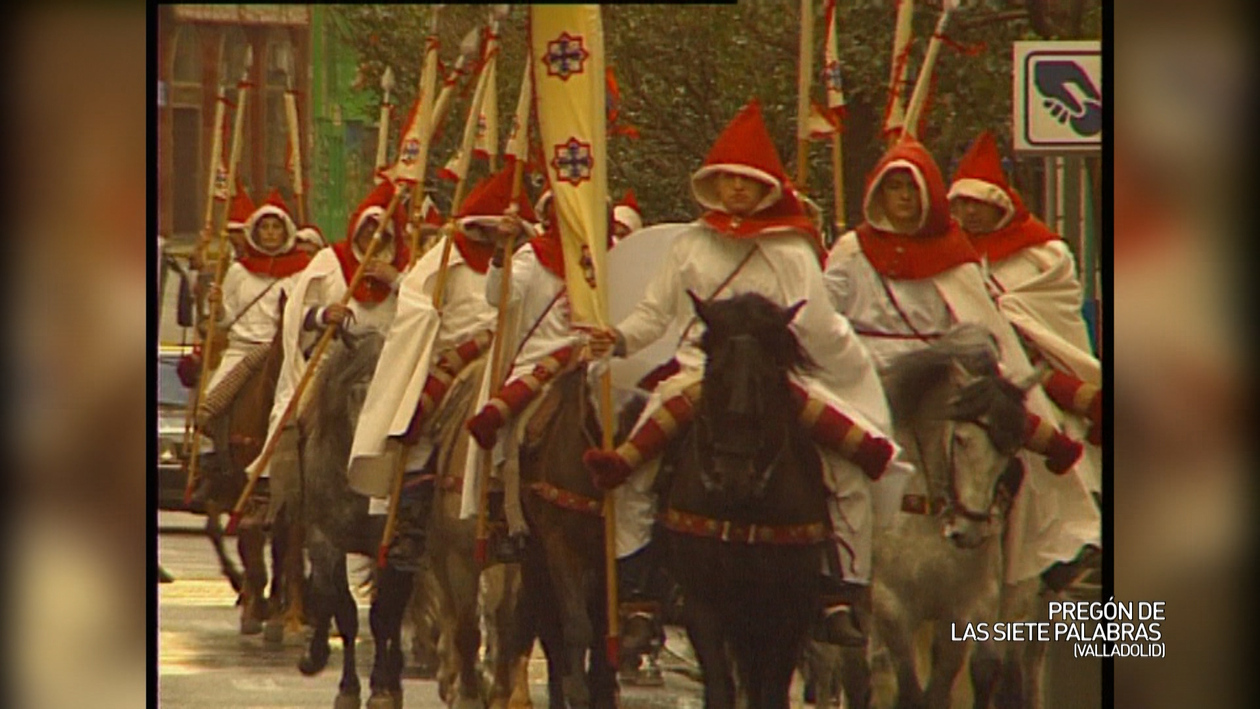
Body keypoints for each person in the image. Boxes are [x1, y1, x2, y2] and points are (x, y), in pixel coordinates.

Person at [580, 100, 906, 645]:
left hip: (778, 381)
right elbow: (654, 314)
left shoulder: (793, 252)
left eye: (745, 181)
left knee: (846, 469)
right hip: (697, 373)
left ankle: (837, 592)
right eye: (727, 180)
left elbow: (820, 327)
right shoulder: (688, 244)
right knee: (632, 468)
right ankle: (639, 596)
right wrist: (617, 339)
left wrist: (835, 369)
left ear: (765, 189)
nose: (735, 190)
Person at [822, 134, 1101, 596]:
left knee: (999, 441)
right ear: (878, 193)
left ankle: (1038, 549)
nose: (905, 200)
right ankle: (829, 575)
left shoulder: (954, 253)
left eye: (913, 190)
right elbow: (828, 316)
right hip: (863, 373)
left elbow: (979, 325)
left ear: (928, 194)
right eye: (895, 190)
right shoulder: (852, 250)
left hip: (938, 376)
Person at [347, 166, 534, 571]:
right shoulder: (447, 257)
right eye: (489, 230)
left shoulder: (527, 261)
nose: (494, 238)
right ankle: (411, 522)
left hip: (509, 355)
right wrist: (430, 318)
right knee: (419, 427)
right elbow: (415, 301)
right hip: (454, 356)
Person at [248, 179, 411, 539]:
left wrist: (397, 280)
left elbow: (423, 313)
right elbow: (296, 313)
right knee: (294, 415)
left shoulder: (407, 270)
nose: (374, 240)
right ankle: (281, 498)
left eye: (382, 234)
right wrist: (324, 316)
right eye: (368, 232)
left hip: (388, 370)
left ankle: (410, 510)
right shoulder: (329, 261)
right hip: (331, 361)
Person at [948, 131, 1102, 499]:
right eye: (962, 203)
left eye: (977, 203)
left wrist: (1010, 314)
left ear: (998, 205)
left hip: (1039, 368)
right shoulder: (950, 256)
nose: (969, 212)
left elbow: (1052, 309)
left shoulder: (1041, 254)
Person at [200, 188, 311, 634]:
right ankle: (214, 458)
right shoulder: (238, 272)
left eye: (275, 227)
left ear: (284, 233)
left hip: (284, 350)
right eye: (263, 227)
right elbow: (224, 322)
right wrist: (215, 306)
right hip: (245, 350)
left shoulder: (300, 273)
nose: (268, 233)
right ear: (255, 232)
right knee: (212, 401)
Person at [460, 181, 577, 561]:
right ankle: (503, 515)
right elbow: (498, 296)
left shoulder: (609, 259)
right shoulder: (532, 256)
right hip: (538, 361)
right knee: (512, 425)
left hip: (593, 359)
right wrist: (501, 252)